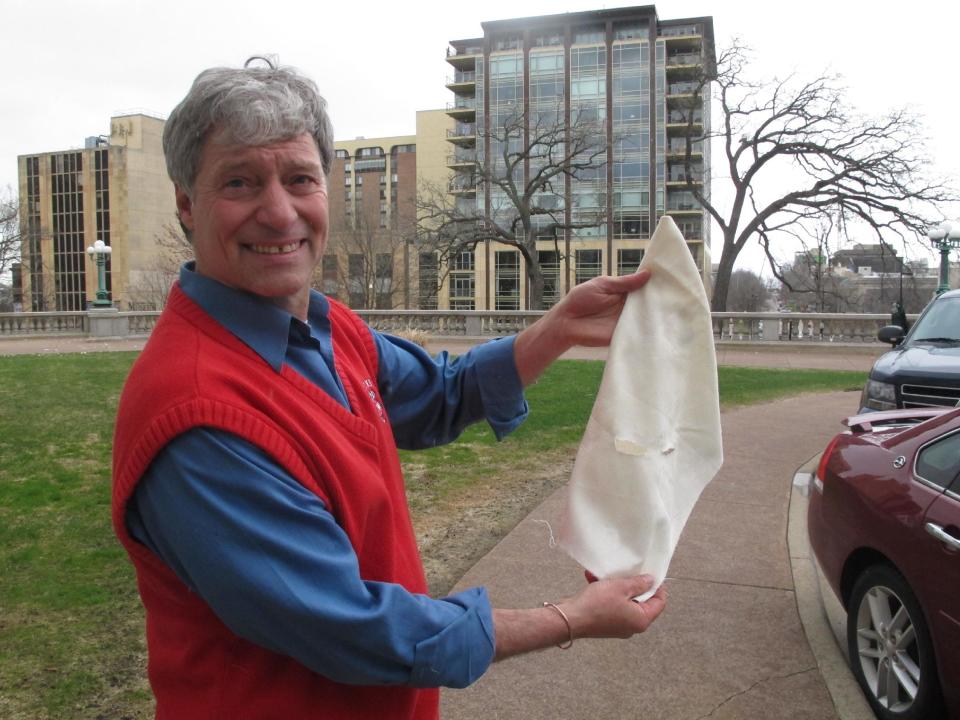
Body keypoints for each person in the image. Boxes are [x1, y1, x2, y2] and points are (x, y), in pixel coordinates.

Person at [111, 58, 666, 720]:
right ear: (185, 205)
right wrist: (569, 619)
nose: (279, 211)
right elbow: (356, 630)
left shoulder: (326, 327)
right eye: (240, 182)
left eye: (299, 179)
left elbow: (440, 395)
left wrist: (556, 329)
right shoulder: (198, 416)